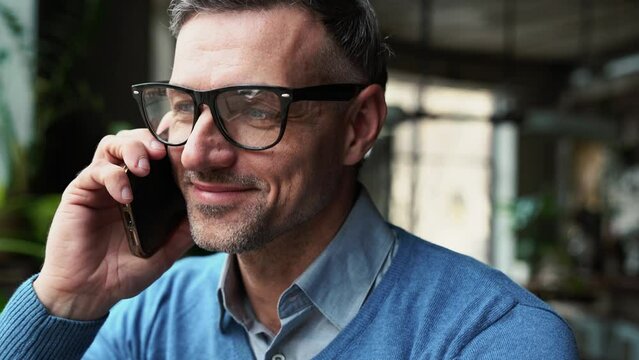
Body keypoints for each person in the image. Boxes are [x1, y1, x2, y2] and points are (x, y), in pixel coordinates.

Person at [0, 0, 578, 359]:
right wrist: (67, 298)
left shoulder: (490, 340)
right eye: (181, 104)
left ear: (358, 126)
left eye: (253, 107)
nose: (198, 153)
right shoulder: (146, 315)